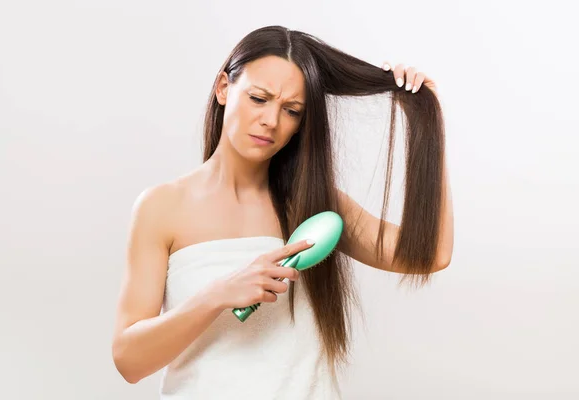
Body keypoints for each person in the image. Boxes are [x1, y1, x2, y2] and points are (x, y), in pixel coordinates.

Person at [111, 25, 453, 399]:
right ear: (223, 88)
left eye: (291, 110)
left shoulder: (315, 206)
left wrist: (425, 120)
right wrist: (218, 295)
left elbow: (430, 253)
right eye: (259, 98)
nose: (271, 121)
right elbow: (130, 361)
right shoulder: (162, 207)